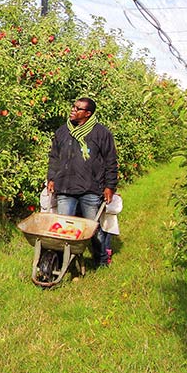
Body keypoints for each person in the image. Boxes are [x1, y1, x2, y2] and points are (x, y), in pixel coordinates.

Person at [46, 97, 119, 264]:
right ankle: (61, 261)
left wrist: (110, 186)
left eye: (78, 108)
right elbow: (54, 157)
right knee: (63, 229)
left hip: (90, 188)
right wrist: (51, 177)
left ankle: (100, 260)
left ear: (87, 113)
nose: (73, 110)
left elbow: (110, 161)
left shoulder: (101, 133)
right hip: (65, 187)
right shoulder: (63, 131)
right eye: (73, 106)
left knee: (92, 229)